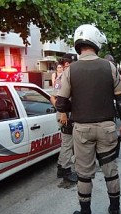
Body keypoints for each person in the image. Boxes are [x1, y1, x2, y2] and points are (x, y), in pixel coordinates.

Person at [55, 24, 121, 214]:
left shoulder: (71, 70)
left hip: (82, 129)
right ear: (96, 42)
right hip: (107, 128)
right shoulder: (110, 67)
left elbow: (60, 104)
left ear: (78, 44)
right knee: (110, 169)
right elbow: (120, 100)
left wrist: (77, 104)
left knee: (84, 173)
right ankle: (115, 211)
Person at [50, 55, 78, 185]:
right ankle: (66, 172)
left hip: (67, 114)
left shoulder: (69, 77)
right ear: (67, 64)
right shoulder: (62, 78)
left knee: (66, 143)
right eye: (72, 64)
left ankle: (61, 168)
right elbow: (53, 97)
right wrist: (62, 112)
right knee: (68, 144)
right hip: (65, 115)